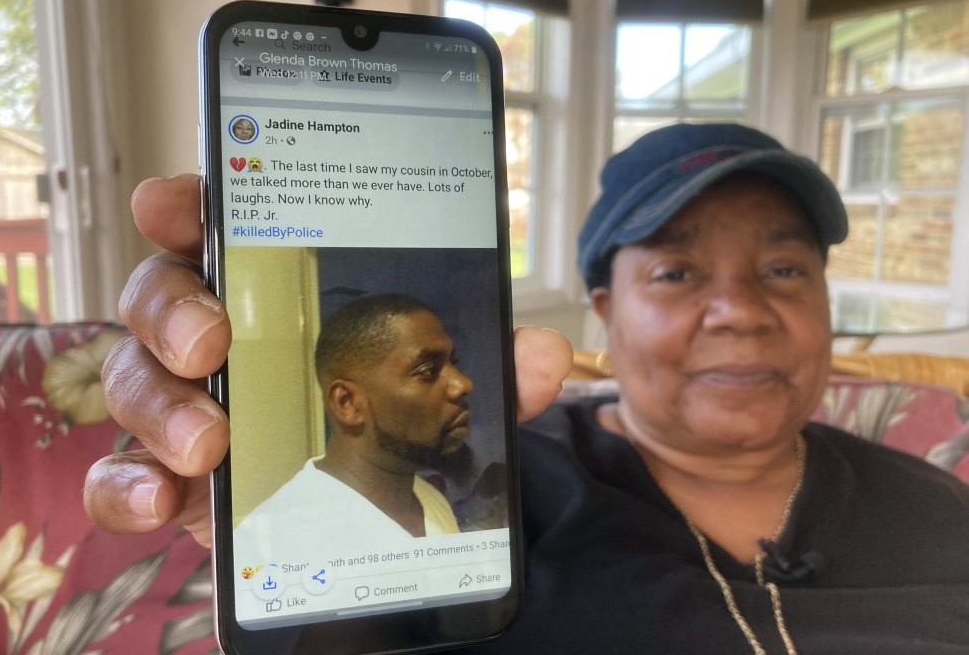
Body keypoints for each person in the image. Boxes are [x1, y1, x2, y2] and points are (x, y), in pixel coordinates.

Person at [87, 123, 969, 654]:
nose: (740, 310)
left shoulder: (942, 510)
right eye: (676, 272)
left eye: (783, 269)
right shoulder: (492, 487)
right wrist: (297, 586)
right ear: (605, 310)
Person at [235, 294, 473, 568]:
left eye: (454, 362)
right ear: (347, 403)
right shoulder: (269, 547)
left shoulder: (431, 501)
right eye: (428, 370)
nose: (463, 384)